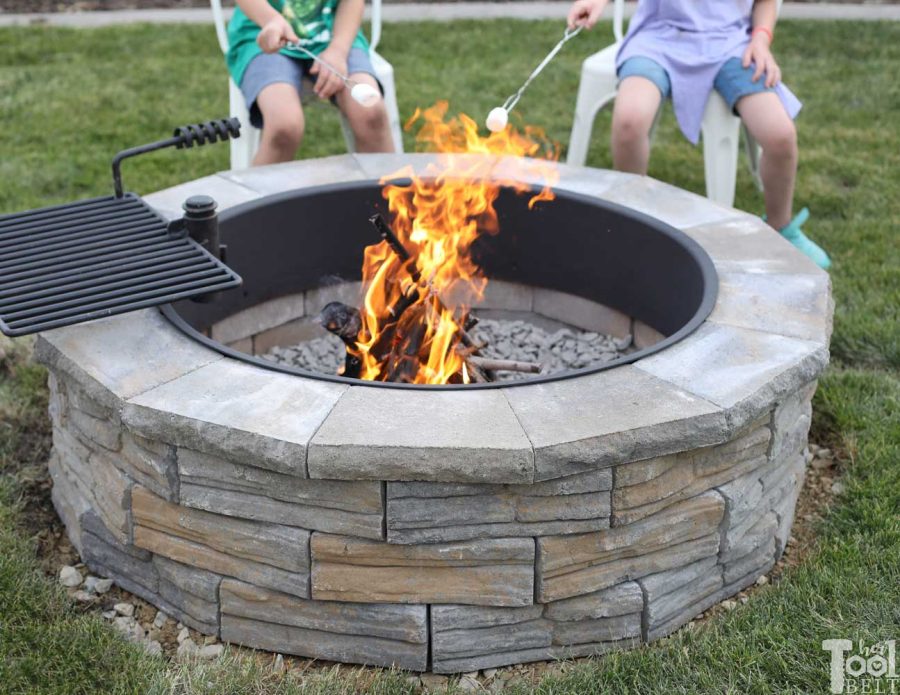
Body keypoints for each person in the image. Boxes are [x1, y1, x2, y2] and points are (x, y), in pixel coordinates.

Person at [567, 0, 831, 269]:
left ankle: (781, 228)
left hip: (730, 44)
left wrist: (761, 39)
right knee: (629, 122)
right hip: (657, 39)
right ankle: (634, 225)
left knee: (780, 135)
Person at [226, 0, 395, 165]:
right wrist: (271, 20)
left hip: (338, 33)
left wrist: (338, 50)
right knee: (284, 126)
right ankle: (258, 193)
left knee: (371, 113)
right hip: (263, 32)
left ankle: (387, 191)